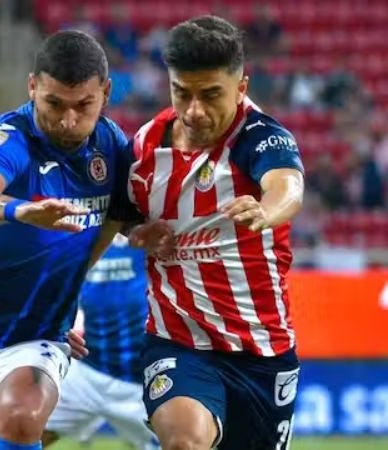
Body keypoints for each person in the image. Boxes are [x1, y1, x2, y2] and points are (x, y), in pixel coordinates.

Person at [0, 30, 169, 450]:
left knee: (23, 417)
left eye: (83, 106)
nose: (68, 120)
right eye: (54, 104)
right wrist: (18, 210)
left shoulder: (112, 148)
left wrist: (71, 292)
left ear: (106, 93)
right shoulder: (10, 136)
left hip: (35, 337)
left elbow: (118, 221)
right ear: (32, 87)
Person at [127, 16, 305, 450]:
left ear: (241, 87)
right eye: (181, 93)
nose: (194, 111)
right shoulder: (145, 146)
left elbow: (288, 186)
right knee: (184, 442)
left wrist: (266, 211)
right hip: (178, 342)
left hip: (262, 350)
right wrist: (135, 231)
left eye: (210, 95)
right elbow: (116, 219)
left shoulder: (262, 137)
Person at [42, 234, 159, 450]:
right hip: (89, 371)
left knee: (182, 441)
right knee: (27, 427)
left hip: (144, 382)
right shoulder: (80, 242)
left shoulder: (146, 239)